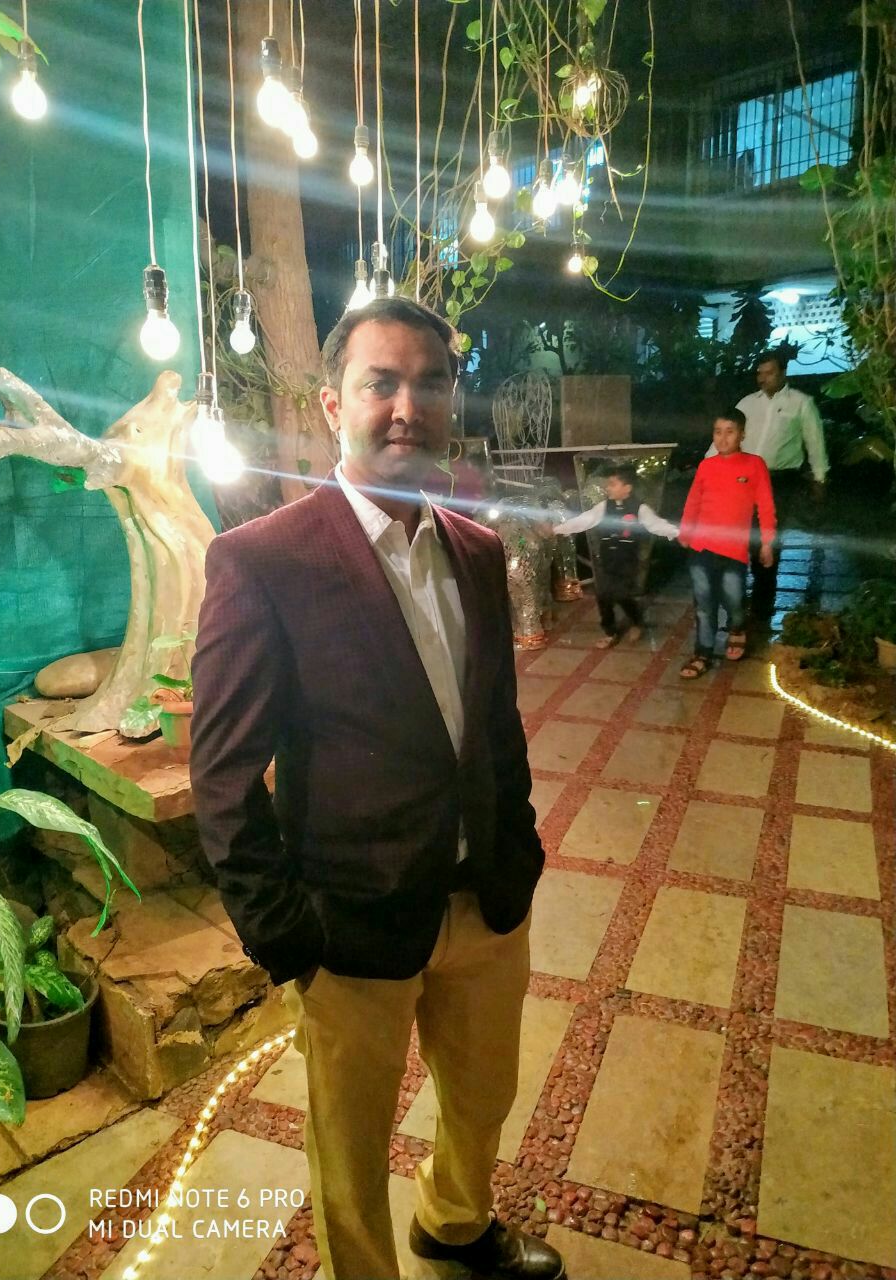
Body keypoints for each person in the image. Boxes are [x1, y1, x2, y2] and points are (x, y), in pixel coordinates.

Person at [190, 297, 564, 1280]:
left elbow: (494, 723)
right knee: (350, 1151)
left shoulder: (477, 551)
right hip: (351, 923)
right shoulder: (263, 560)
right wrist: (285, 933)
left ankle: (455, 1222)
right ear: (333, 405)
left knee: (483, 1098)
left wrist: (519, 847)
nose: (408, 406)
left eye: (430, 383)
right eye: (381, 383)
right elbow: (223, 776)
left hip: (484, 902)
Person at [710, 348, 828, 620]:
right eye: (759, 373)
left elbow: (815, 442)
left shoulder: (801, 403)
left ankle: (763, 604)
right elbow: (726, 436)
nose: (763, 378)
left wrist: (820, 478)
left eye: (769, 373)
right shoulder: (747, 403)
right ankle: (737, 597)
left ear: (783, 372)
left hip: (779, 481)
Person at [679, 408, 776, 677]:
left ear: (742, 434)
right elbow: (693, 501)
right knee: (704, 604)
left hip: (734, 550)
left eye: (730, 432)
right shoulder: (706, 466)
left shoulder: (754, 465)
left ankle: (737, 627)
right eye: (718, 432)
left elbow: (766, 506)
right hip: (701, 547)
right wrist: (686, 532)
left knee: (734, 598)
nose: (723, 438)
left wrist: (767, 542)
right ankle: (703, 653)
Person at [553, 464, 678, 648]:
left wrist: (676, 532)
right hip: (607, 559)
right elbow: (584, 520)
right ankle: (610, 631)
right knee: (603, 595)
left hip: (628, 560)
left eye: (613, 484)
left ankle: (636, 621)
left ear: (627, 488)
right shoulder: (604, 507)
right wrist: (558, 529)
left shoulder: (639, 508)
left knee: (621, 594)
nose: (608, 488)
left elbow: (656, 524)